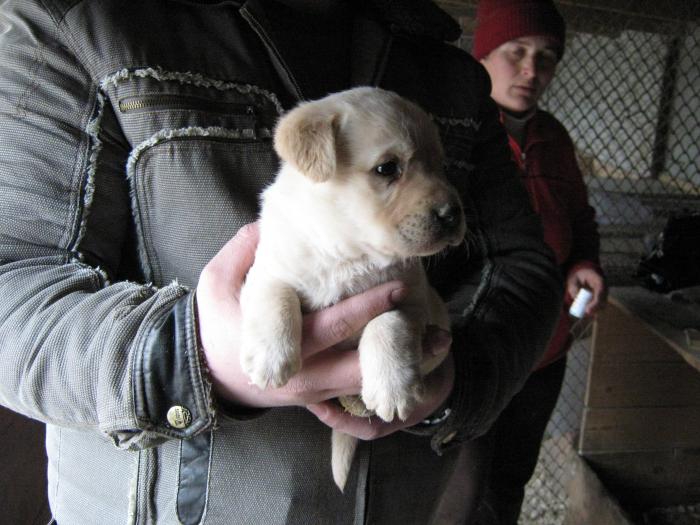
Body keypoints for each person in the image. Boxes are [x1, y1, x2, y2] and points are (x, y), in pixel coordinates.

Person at [0, 1, 562, 523]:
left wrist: (456, 380)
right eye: (391, 169)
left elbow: (521, 268)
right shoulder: (82, 21)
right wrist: (184, 355)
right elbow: (14, 283)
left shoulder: (451, 73)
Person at [469, 0, 608, 522]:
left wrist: (584, 263)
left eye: (546, 57)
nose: (531, 71)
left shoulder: (554, 138)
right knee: (456, 479)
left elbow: (579, 217)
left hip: (544, 352)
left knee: (509, 480)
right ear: (483, 55)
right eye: (516, 52)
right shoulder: (456, 134)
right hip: (475, 348)